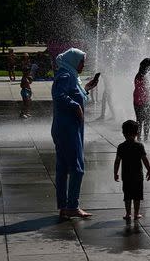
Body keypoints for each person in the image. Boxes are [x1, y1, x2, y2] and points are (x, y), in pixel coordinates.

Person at [51, 48, 99, 219]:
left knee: (63, 168)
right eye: (81, 61)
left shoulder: (70, 75)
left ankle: (64, 207)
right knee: (77, 169)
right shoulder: (65, 75)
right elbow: (58, 95)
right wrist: (75, 105)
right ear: (73, 61)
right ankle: (72, 206)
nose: (83, 65)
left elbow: (74, 94)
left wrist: (86, 88)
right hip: (67, 129)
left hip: (66, 128)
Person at [114, 120, 150, 221]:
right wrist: (149, 170)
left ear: (123, 133)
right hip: (138, 176)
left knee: (127, 195)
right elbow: (144, 159)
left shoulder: (121, 146)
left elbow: (117, 161)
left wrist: (115, 173)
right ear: (137, 133)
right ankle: (136, 213)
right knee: (137, 196)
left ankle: (127, 214)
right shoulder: (139, 146)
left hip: (126, 176)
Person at [133, 58, 150, 142]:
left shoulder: (144, 75)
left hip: (143, 99)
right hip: (141, 100)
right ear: (147, 66)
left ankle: (144, 138)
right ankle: (140, 138)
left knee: (143, 120)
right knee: (141, 120)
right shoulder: (140, 76)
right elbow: (142, 88)